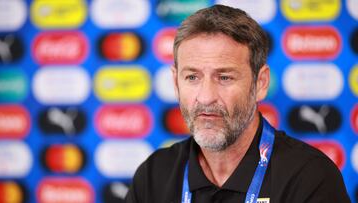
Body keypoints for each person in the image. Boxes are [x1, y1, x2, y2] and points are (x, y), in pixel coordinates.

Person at [125, 4, 351, 203]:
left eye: (225, 77)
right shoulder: (154, 176)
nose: (205, 97)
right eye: (192, 77)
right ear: (176, 82)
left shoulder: (310, 178)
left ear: (260, 83)